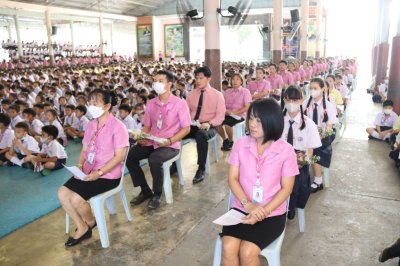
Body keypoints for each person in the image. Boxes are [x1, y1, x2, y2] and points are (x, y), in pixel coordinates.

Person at [221, 98, 299, 266]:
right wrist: (248, 205)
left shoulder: (286, 150)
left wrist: (262, 211)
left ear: (271, 121)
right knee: (228, 247)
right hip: (241, 209)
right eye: (251, 119)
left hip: (271, 213)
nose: (252, 124)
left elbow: (287, 188)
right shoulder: (241, 144)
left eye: (258, 120)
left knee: (247, 252)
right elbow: (232, 178)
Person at [58, 89, 129, 247]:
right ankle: (83, 226)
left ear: (107, 106)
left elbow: (119, 157)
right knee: (62, 193)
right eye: (90, 103)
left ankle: (90, 221)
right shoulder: (91, 125)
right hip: (88, 171)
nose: (90, 107)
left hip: (108, 175)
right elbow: (84, 150)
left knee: (77, 199)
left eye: (95, 103)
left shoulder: (118, 127)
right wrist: (78, 166)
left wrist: (100, 172)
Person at [126, 70, 191, 210]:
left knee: (155, 159)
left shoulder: (179, 103)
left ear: (169, 84)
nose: (156, 83)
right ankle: (145, 190)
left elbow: (186, 129)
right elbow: (148, 126)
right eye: (155, 80)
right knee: (130, 155)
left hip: (170, 143)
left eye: (160, 81)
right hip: (152, 140)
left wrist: (169, 140)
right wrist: (141, 137)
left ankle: (157, 194)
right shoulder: (151, 103)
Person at [281, 86, 322, 219]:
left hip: (299, 161)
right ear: (284, 100)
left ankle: (290, 206)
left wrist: (301, 161)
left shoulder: (309, 124)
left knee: (295, 179)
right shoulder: (278, 121)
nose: (291, 103)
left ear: (301, 100)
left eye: (295, 100)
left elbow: (310, 151)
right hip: (278, 159)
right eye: (288, 100)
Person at [185, 66, 226, 183]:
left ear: (208, 78)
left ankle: (201, 168)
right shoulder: (191, 94)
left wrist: (209, 123)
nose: (198, 81)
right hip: (192, 124)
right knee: (176, 133)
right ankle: (173, 163)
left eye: (201, 78)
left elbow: (220, 117)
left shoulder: (218, 95)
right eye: (196, 78)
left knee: (201, 135)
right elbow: (185, 113)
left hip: (208, 126)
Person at [303, 78, 338, 193]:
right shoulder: (306, 102)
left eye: (315, 88)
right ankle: (301, 177)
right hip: (308, 134)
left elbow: (329, 126)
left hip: (325, 135)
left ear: (322, 89)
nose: (313, 91)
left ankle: (318, 181)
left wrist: (319, 135)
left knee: (314, 148)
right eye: (311, 88)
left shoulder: (328, 104)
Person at [217, 73, 251, 151]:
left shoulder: (245, 91)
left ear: (241, 81)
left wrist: (234, 113)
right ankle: (225, 139)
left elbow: (247, 107)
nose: (235, 81)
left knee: (226, 124)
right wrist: (224, 111)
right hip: (227, 113)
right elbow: (223, 104)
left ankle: (230, 141)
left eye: (237, 79)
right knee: (216, 123)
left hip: (239, 115)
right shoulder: (227, 91)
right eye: (233, 79)